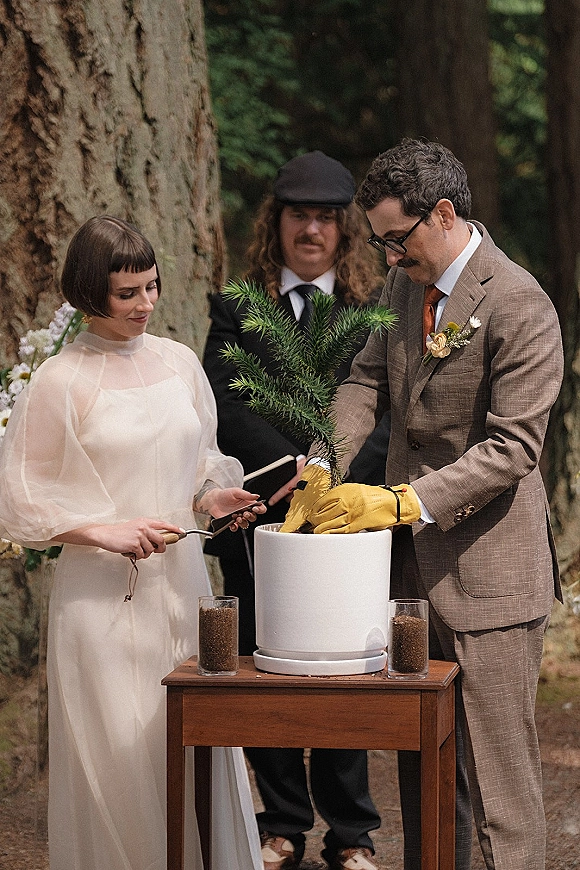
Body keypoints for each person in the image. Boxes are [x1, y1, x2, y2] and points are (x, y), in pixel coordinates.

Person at [283, 139, 564, 870]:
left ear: (442, 214)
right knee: (426, 775)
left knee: (499, 790)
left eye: (394, 240)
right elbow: (363, 381)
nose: (385, 258)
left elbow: (513, 450)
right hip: (408, 582)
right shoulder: (405, 286)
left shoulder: (520, 302)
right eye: (376, 242)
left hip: (491, 577)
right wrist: (323, 461)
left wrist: (401, 502)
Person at [0, 215, 266, 870]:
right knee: (122, 765)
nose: (146, 303)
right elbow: (19, 501)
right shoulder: (61, 381)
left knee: (195, 749)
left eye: (151, 287)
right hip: (101, 604)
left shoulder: (177, 362)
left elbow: (203, 460)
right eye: (128, 293)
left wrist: (213, 497)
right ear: (91, 293)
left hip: (183, 592)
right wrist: (102, 530)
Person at [203, 150, 390, 870]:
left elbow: (381, 412)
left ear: (344, 229)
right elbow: (223, 398)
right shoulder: (237, 305)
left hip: (346, 517)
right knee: (261, 665)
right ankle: (282, 821)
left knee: (343, 668)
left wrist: (332, 477)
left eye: (324, 217)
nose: (310, 229)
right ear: (274, 223)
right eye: (297, 215)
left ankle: (352, 833)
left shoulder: (373, 311)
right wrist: (286, 473)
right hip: (256, 510)